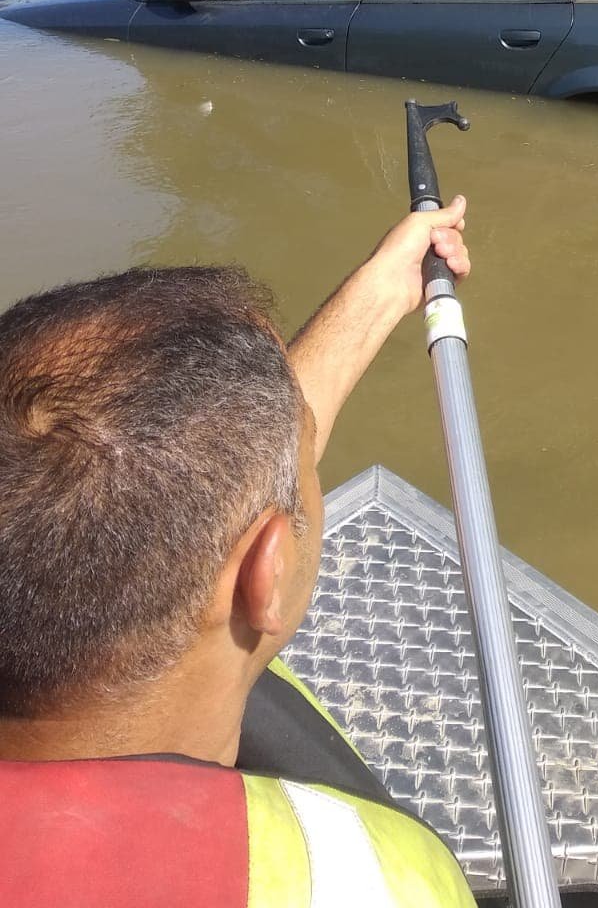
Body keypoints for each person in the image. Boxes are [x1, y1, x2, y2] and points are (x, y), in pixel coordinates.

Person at [0, 201, 477, 907]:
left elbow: (199, 492)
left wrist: (383, 287)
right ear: (268, 572)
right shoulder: (372, 881)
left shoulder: (40, 526)